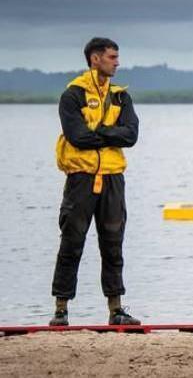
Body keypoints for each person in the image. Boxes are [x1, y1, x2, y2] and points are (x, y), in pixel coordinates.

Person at [51, 37, 140, 327]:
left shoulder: (121, 96)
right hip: (81, 178)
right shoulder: (73, 95)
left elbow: (131, 136)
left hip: (114, 178)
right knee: (72, 241)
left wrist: (100, 133)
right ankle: (61, 309)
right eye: (112, 57)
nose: (117, 62)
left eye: (117, 57)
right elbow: (77, 136)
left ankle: (116, 309)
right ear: (95, 59)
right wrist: (110, 133)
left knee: (113, 244)